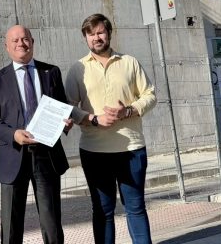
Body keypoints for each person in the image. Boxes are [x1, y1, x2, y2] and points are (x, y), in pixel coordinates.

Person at [65, 14, 157, 244]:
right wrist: (92, 118)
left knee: (135, 207)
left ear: (109, 33)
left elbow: (150, 95)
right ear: (85, 37)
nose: (96, 37)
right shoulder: (77, 69)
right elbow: (66, 106)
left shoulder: (130, 62)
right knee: (102, 210)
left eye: (100, 32)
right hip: (94, 151)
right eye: (91, 33)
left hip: (131, 148)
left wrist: (128, 110)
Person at [0, 25, 72, 244]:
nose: (21, 44)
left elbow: (62, 106)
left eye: (25, 39)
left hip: (46, 156)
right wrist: (13, 134)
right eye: (15, 40)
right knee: (11, 227)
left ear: (32, 41)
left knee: (51, 223)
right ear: (7, 47)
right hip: (13, 156)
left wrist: (66, 123)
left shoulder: (51, 72)